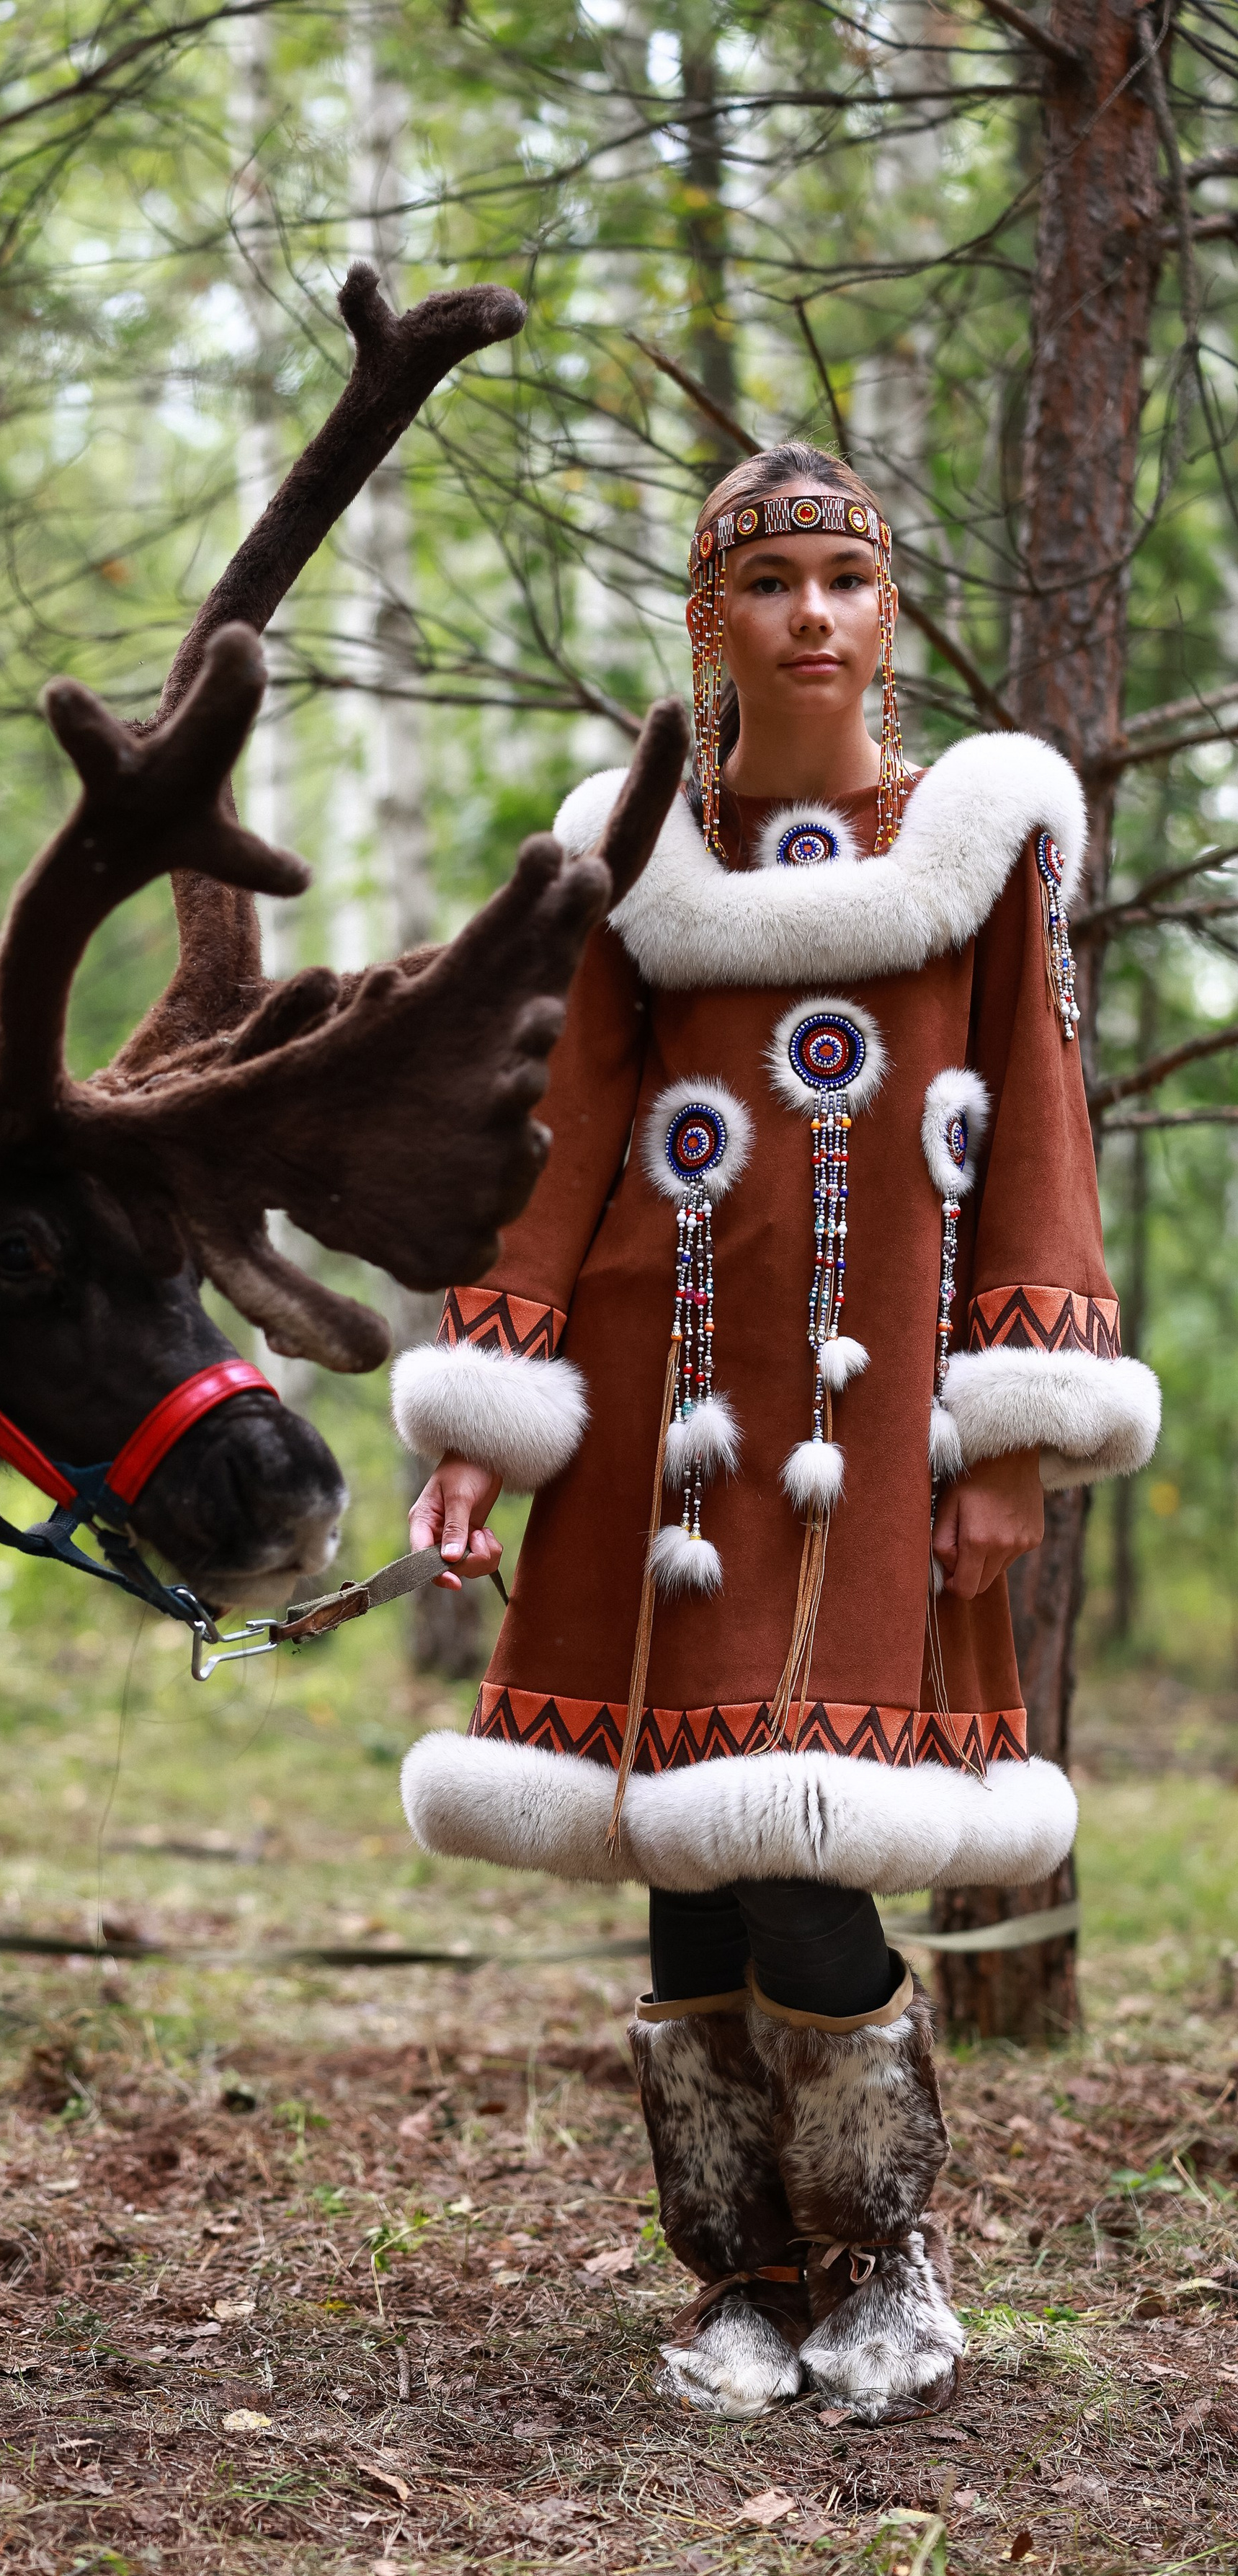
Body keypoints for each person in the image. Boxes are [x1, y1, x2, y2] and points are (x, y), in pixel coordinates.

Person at [392, 445, 1159, 2424]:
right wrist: (487, 1403)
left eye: (843, 577)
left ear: (886, 611)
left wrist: (1010, 1426)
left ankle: (890, 2259)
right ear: (708, 620)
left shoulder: (986, 843)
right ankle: (741, 2278)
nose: (811, 613)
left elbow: (1041, 1132)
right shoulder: (638, 853)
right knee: (684, 1840)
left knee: (808, 1835)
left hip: (890, 1411)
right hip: (659, 1413)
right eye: (770, 584)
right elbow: (560, 1148)